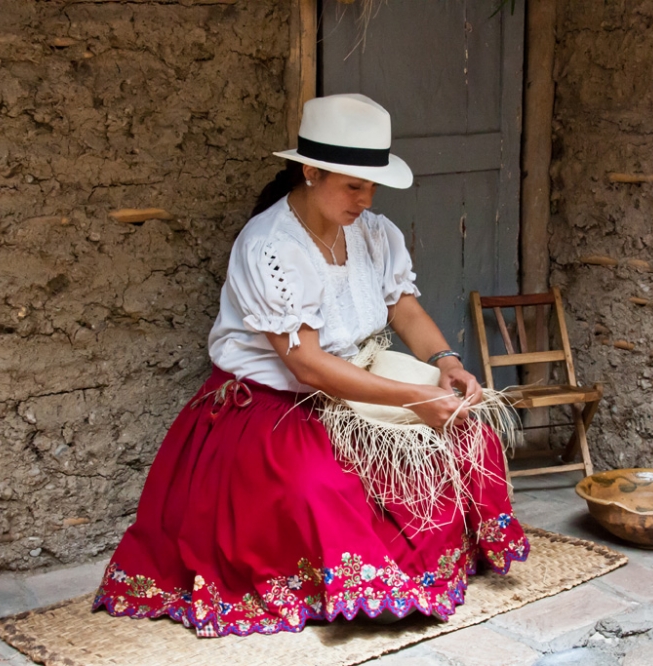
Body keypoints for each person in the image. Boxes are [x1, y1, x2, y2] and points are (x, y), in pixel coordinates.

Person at [93, 93, 528, 637]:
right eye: (352, 185)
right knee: (322, 486)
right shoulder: (271, 247)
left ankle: (425, 569)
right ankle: (368, 583)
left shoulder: (373, 233)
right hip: (277, 409)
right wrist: (416, 400)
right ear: (310, 170)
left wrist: (445, 363)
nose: (365, 199)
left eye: (371, 186)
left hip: (360, 375)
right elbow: (309, 368)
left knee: (471, 435)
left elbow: (405, 307)